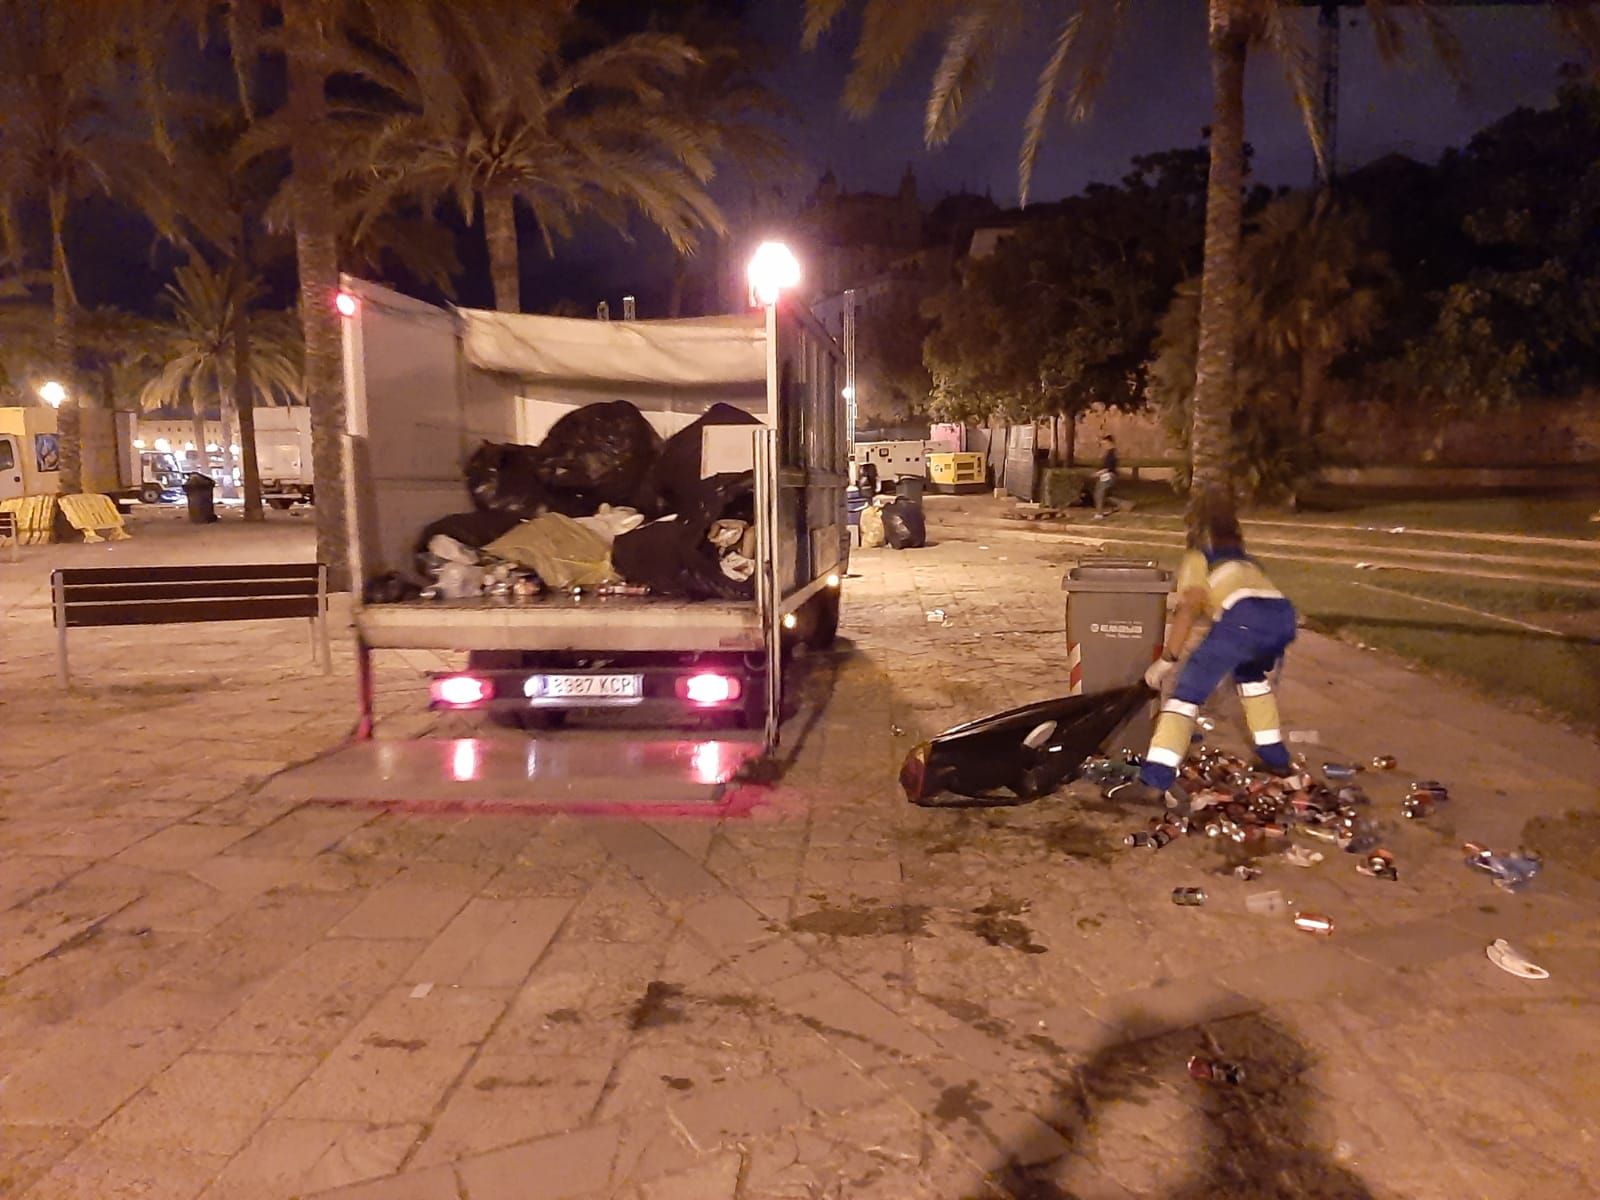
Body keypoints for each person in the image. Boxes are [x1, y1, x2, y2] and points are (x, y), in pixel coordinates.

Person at [1108, 489, 1298, 806]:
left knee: (1184, 697)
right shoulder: (1246, 562)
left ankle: (1154, 781)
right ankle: (1276, 759)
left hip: (1242, 620)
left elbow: (1190, 607)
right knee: (1253, 683)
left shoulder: (1199, 559)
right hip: (1282, 619)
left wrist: (1167, 659)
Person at [1091, 436, 1118, 518]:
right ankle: (1123, 504)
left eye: (1105, 443)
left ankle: (1099, 513)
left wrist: (1097, 474)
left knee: (1099, 493)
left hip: (1108, 476)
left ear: (1110, 443)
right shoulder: (1109, 453)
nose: (1103, 446)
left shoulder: (1111, 454)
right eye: (1102, 444)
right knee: (1103, 494)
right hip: (1107, 475)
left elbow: (1107, 468)